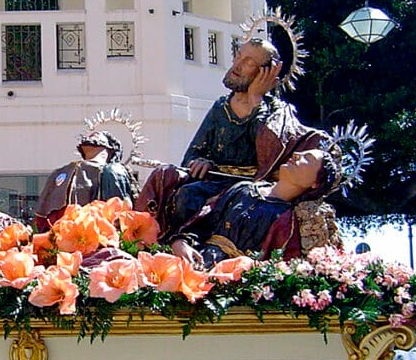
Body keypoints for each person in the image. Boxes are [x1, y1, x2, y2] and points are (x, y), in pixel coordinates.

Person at [135, 38, 322, 241]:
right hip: (212, 179)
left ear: (266, 73)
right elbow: (192, 154)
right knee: (166, 175)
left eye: (249, 63)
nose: (238, 66)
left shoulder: (277, 112)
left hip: (247, 187)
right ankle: (141, 234)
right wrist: (200, 162)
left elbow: (269, 152)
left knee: (191, 197)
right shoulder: (221, 107)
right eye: (239, 56)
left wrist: (256, 99)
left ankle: (191, 244)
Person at [169, 148, 338, 267]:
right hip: (197, 262)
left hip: (235, 283)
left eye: (307, 159)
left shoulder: (289, 219)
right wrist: (181, 242)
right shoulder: (244, 188)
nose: (295, 154)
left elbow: (283, 266)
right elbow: (205, 220)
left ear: (315, 183)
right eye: (300, 153)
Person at [33, 131, 137, 231]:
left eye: (98, 135)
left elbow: (119, 212)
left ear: (110, 149)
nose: (92, 135)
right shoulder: (60, 172)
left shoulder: (113, 171)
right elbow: (41, 216)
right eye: (90, 136)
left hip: (93, 234)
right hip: (59, 235)